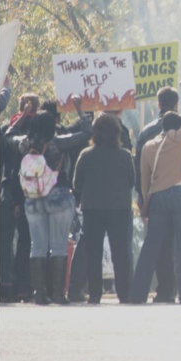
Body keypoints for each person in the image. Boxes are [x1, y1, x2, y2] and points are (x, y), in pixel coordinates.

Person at [11, 96, 92, 305]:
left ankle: (39, 293)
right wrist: (79, 108)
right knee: (58, 246)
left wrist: (22, 116)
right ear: (53, 124)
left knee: (37, 246)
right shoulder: (59, 142)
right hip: (59, 197)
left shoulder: (24, 144)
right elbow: (86, 133)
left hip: (33, 199)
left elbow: (8, 134)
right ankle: (58, 293)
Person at [130, 81, 181, 305]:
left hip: (158, 198)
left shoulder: (149, 146)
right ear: (178, 126)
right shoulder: (180, 139)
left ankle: (138, 294)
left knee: (151, 246)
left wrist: (144, 205)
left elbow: (144, 179)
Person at [73, 114, 135, 304]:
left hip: (93, 208)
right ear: (118, 133)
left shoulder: (86, 154)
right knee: (121, 252)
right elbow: (132, 181)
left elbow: (77, 184)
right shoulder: (125, 155)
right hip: (120, 208)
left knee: (93, 253)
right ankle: (124, 294)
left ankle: (94, 295)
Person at [0, 93, 39, 303]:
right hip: (21, 192)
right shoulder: (15, 130)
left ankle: (16, 285)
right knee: (19, 241)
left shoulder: (17, 130)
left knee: (19, 242)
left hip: (16, 191)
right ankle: (17, 284)